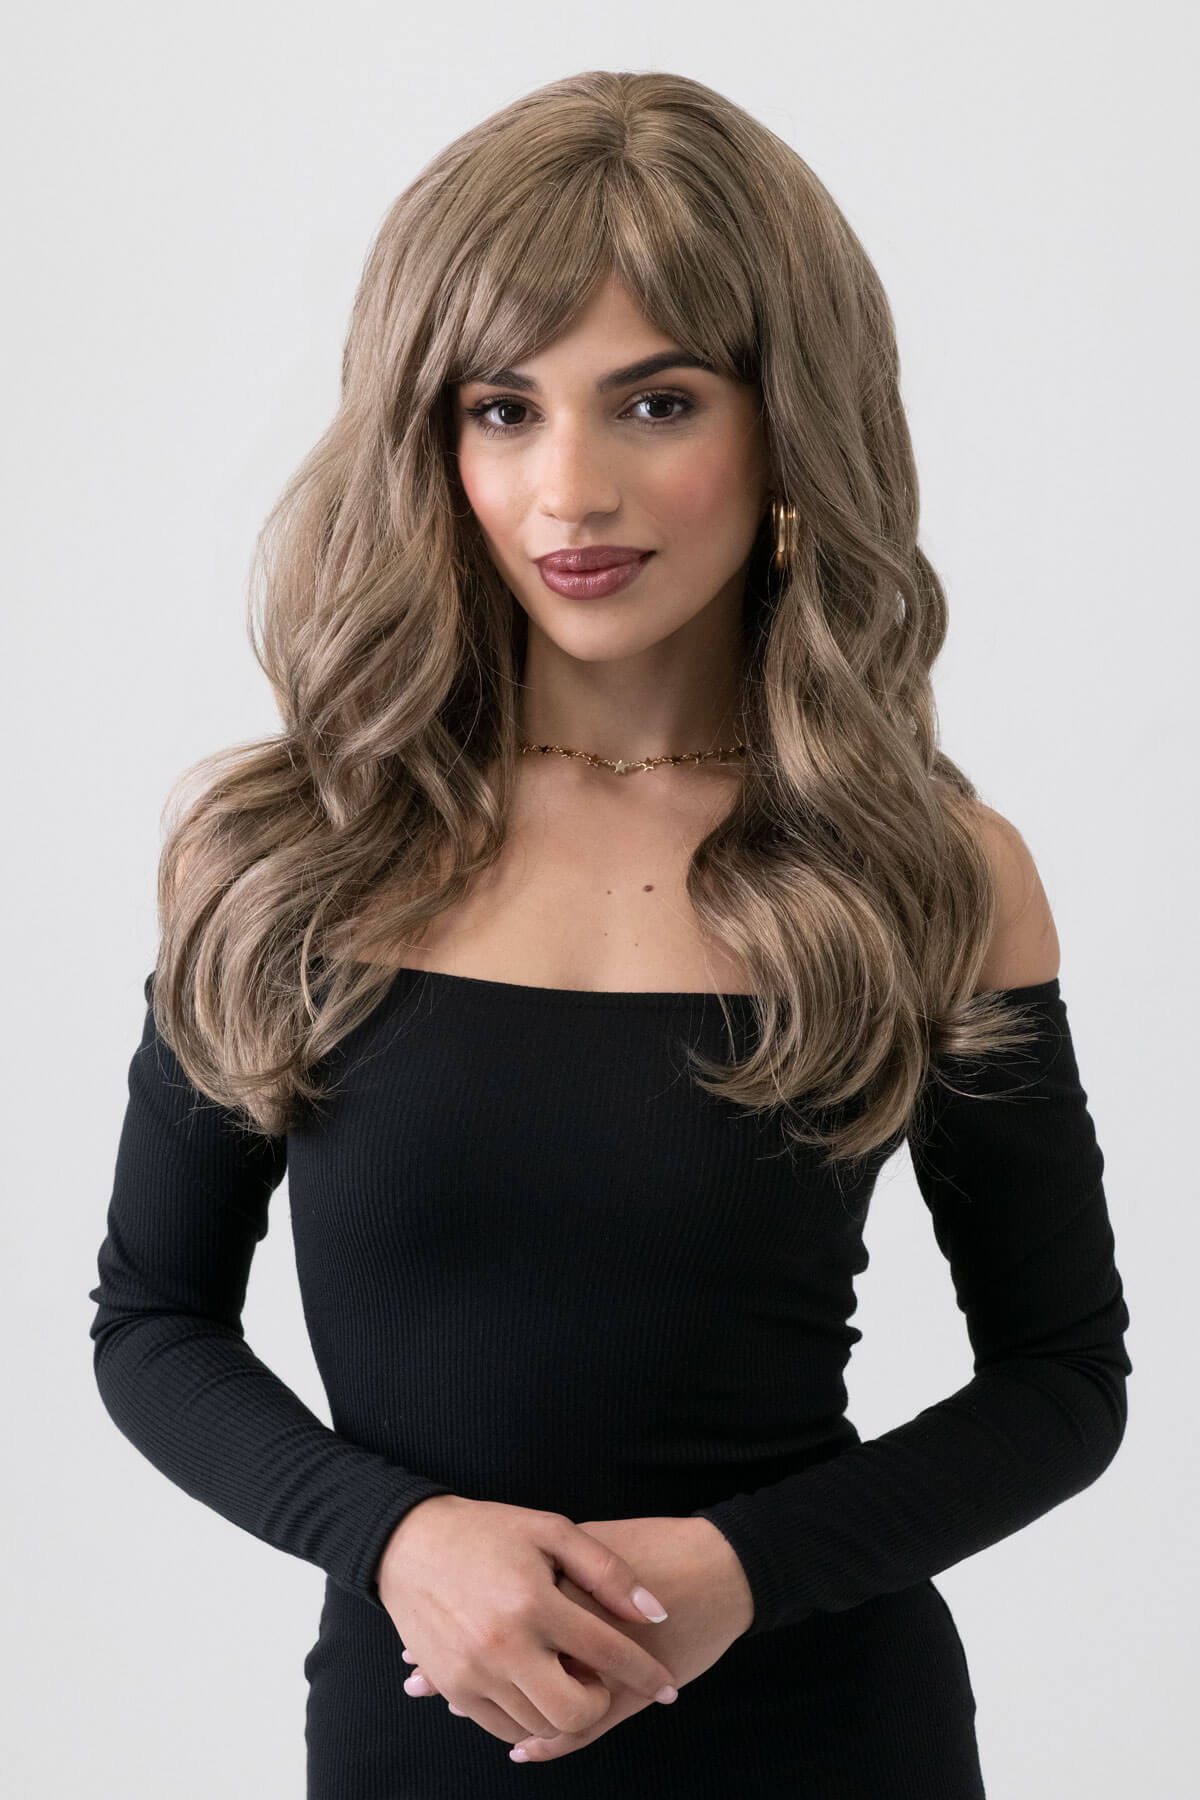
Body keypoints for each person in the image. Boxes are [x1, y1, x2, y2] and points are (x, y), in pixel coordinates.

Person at [88, 69, 1132, 1797]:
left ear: (788, 425)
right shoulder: (286, 849)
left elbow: (1061, 1380)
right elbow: (151, 1323)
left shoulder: (931, 870)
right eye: (505, 408)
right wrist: (402, 1538)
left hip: (825, 1736)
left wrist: (740, 1572)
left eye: (654, 402)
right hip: (421, 1738)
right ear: (433, 437)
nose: (569, 487)